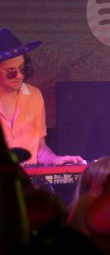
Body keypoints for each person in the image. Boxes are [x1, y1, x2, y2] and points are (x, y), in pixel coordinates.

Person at [0, 29, 84, 166]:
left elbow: (40, 148)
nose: (19, 76)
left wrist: (55, 159)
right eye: (11, 72)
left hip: (26, 182)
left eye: (23, 69)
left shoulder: (34, 96)